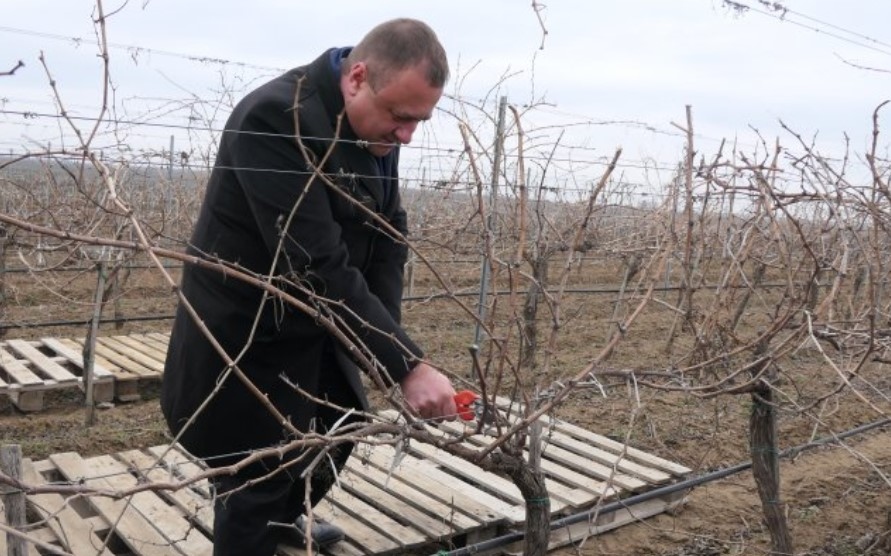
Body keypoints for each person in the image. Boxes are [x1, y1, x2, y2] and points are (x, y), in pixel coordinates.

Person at [160, 18, 458, 556]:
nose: (407, 134)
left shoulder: (377, 127)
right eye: (400, 116)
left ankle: (284, 521)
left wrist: (382, 349)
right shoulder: (277, 118)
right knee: (256, 475)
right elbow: (315, 263)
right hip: (250, 337)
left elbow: (387, 238)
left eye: (419, 121)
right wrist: (406, 365)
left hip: (315, 324)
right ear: (357, 77)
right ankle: (261, 531)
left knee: (340, 427)